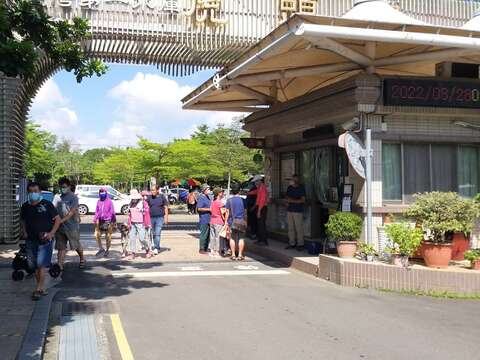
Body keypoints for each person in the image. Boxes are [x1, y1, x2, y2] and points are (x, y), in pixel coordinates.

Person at [20, 182, 61, 300]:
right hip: (30, 239)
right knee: (33, 266)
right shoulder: (25, 206)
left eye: (36, 191)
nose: (34, 193)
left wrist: (52, 233)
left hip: (45, 239)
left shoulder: (47, 205)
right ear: (28, 193)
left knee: (41, 264)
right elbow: (22, 220)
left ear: (40, 192)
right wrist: (24, 231)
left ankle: (38, 288)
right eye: (31, 191)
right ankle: (41, 287)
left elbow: (57, 220)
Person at [53, 177, 85, 270]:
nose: (62, 189)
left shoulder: (74, 197)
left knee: (76, 245)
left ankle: (82, 258)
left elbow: (71, 212)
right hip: (59, 227)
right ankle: (59, 265)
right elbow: (53, 210)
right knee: (61, 247)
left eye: (64, 187)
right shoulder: (57, 197)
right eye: (60, 187)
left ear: (69, 186)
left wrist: (61, 221)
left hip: (71, 226)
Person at [127, 189, 152, 260]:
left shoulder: (143, 203)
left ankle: (148, 250)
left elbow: (147, 213)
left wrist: (148, 223)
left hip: (141, 223)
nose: (133, 199)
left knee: (142, 238)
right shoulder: (131, 203)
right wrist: (129, 223)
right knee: (132, 238)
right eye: (132, 198)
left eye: (135, 198)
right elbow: (130, 215)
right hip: (133, 223)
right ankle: (133, 253)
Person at [225, 183, 247, 261]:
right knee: (241, 238)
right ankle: (240, 255)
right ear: (239, 191)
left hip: (232, 221)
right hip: (241, 221)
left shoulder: (229, 200)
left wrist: (226, 222)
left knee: (232, 238)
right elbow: (245, 212)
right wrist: (246, 221)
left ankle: (233, 254)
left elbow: (227, 212)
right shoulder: (243, 200)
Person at [93, 188, 116, 257]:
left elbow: (112, 211)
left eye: (103, 192)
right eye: (100, 192)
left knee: (108, 236)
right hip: (100, 220)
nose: (102, 193)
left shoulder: (109, 201)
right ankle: (101, 248)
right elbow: (97, 210)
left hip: (108, 220)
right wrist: (95, 218)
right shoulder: (98, 201)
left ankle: (107, 250)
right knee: (96, 235)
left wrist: (114, 221)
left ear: (106, 193)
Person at [285, 174, 306, 251]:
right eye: (293, 179)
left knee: (299, 228)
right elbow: (287, 196)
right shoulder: (290, 187)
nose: (294, 180)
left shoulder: (301, 188)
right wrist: (287, 201)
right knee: (290, 228)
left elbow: (303, 200)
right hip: (290, 210)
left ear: (298, 180)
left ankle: (300, 244)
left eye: (295, 179)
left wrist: (292, 201)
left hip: (298, 210)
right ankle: (292, 243)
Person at [147, 185, 169, 255]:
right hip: (151, 217)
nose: (152, 191)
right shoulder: (149, 197)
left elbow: (166, 207)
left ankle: (157, 248)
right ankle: (154, 246)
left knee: (158, 233)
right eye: (151, 190)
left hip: (160, 217)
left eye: (153, 190)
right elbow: (146, 207)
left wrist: (166, 218)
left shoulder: (162, 197)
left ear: (157, 190)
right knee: (153, 233)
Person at [209, 188, 227, 257]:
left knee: (212, 236)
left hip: (212, 220)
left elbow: (211, 210)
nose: (222, 194)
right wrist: (225, 221)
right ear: (219, 194)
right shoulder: (220, 203)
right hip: (219, 221)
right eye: (222, 192)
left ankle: (212, 250)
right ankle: (217, 251)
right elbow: (223, 213)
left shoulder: (213, 202)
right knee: (218, 237)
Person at [253, 175, 269, 246]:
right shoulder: (260, 188)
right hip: (261, 207)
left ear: (259, 181)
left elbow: (262, 201)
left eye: (256, 181)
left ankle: (263, 240)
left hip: (262, 208)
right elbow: (255, 192)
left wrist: (259, 211)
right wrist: (249, 193)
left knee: (261, 225)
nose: (255, 183)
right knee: (259, 224)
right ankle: (260, 239)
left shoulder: (262, 188)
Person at [196, 184, 211, 255]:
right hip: (204, 219)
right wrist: (209, 209)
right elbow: (199, 208)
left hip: (209, 218)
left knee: (208, 235)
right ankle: (201, 248)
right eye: (208, 189)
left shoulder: (208, 197)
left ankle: (206, 247)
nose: (209, 190)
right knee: (203, 234)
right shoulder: (201, 198)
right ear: (204, 190)